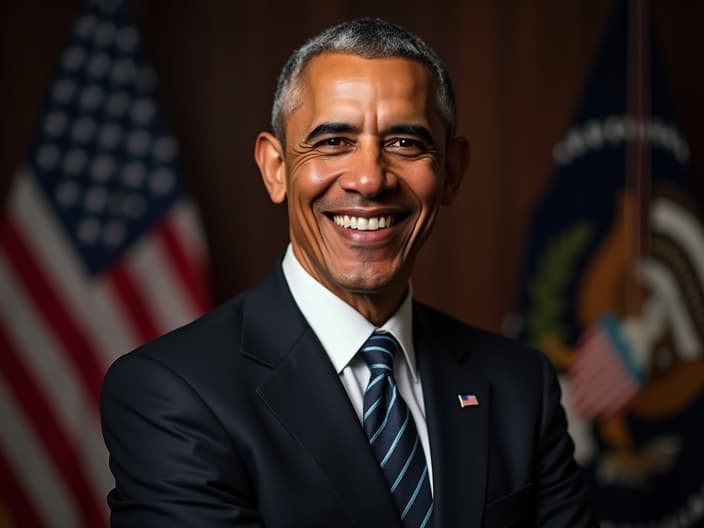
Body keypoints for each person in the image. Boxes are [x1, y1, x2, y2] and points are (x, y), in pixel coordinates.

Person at [100, 18, 596, 527]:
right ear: (275, 168)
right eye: (333, 141)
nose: (369, 179)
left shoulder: (519, 386)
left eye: (405, 142)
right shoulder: (172, 393)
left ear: (451, 172)